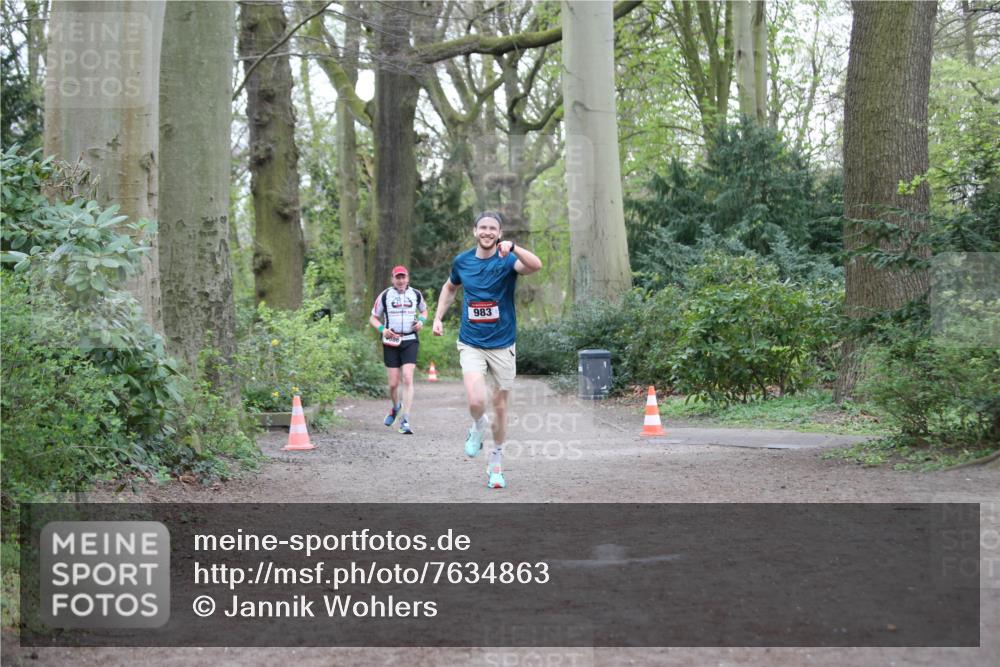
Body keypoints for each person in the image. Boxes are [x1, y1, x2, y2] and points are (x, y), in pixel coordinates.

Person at [432, 211, 542, 489]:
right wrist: (437, 317)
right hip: (471, 342)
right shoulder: (463, 262)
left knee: (501, 407)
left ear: (499, 233)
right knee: (475, 401)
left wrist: (514, 248)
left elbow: (536, 265)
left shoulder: (507, 260)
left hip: (503, 344)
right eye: (483, 227)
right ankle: (478, 425)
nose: (487, 232)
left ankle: (496, 462)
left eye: (493, 228)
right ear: (474, 231)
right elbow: (449, 287)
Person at [370, 265, 428, 435]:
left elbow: (424, 311)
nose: (401, 280)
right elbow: (373, 317)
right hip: (391, 341)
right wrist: (382, 329)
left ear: (408, 278)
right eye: (398, 277)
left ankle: (405, 419)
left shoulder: (416, 294)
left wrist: (422, 322)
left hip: (410, 339)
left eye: (403, 277)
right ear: (393, 279)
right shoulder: (385, 295)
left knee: (408, 378)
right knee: (393, 384)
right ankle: (395, 407)